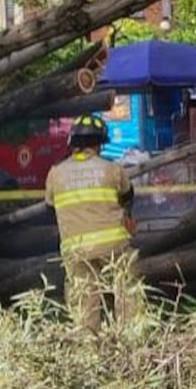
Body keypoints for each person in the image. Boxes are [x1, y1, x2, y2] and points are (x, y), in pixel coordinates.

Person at [45, 114, 139, 332]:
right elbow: (128, 198)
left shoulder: (55, 173)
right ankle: (132, 340)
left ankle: (88, 349)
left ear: (73, 143)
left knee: (84, 300)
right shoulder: (112, 169)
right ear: (99, 144)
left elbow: (50, 211)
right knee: (126, 291)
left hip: (75, 248)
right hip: (114, 246)